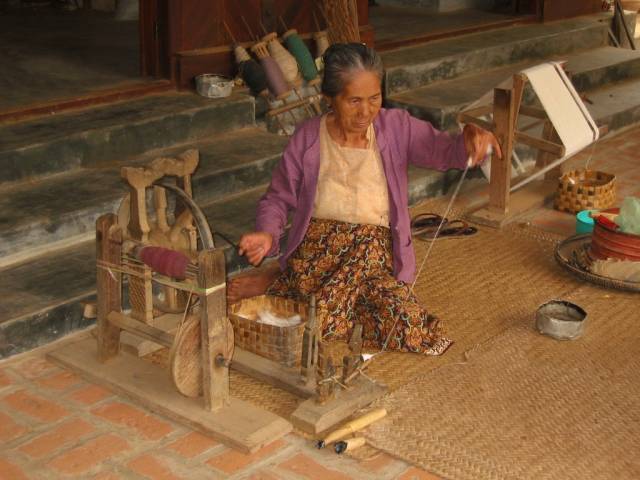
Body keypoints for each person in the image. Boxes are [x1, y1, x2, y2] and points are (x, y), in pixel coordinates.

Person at [229, 43, 500, 355]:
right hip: (318, 251)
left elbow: (445, 150)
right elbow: (278, 198)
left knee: (408, 327)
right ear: (330, 98)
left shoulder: (396, 127)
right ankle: (283, 279)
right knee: (317, 323)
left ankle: (281, 284)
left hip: (372, 254)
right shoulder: (307, 137)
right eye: (354, 100)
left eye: (374, 99)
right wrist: (267, 233)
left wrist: (470, 141)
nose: (366, 111)